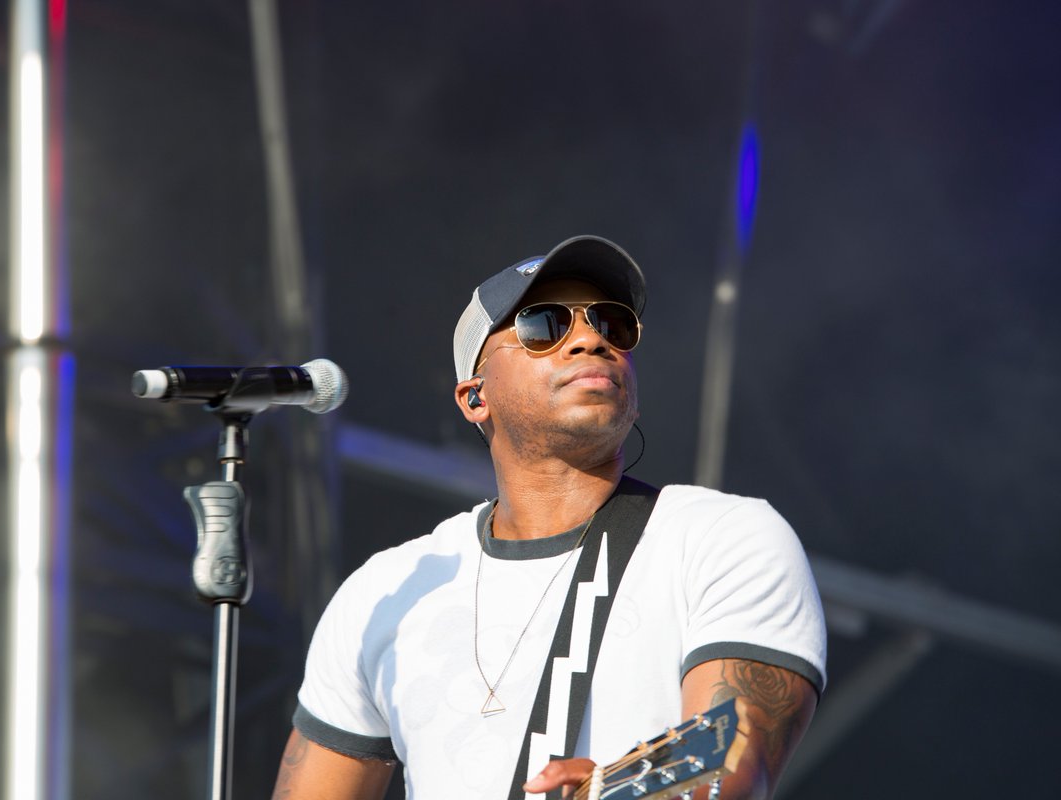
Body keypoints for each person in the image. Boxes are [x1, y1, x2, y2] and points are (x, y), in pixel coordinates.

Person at [272, 236, 827, 800]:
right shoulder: (389, 590)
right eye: (543, 326)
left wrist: (608, 790)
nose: (590, 340)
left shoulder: (721, 538)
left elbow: (730, 764)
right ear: (474, 397)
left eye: (613, 326)